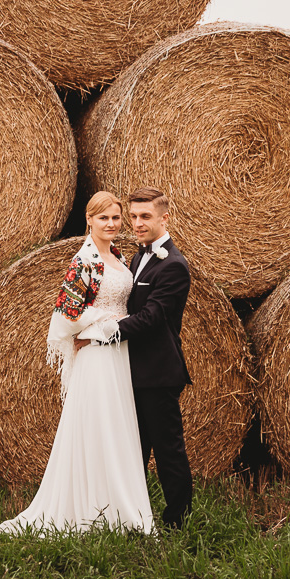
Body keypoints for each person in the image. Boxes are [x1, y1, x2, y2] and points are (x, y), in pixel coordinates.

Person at [0, 191, 153, 535]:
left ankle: (117, 509)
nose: (110, 224)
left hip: (117, 352)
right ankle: (92, 509)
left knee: (116, 427)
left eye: (115, 218)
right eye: (103, 218)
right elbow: (66, 316)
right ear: (89, 220)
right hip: (96, 356)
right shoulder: (86, 261)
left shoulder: (118, 257)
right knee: (97, 427)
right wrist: (108, 320)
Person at [86, 186, 193, 529]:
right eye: (133, 216)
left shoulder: (174, 265)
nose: (137, 223)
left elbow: (151, 317)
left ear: (165, 218)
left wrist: (100, 334)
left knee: (167, 451)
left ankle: (179, 521)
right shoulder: (137, 257)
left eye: (145, 216)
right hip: (130, 371)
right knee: (133, 451)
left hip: (158, 373)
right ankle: (132, 517)